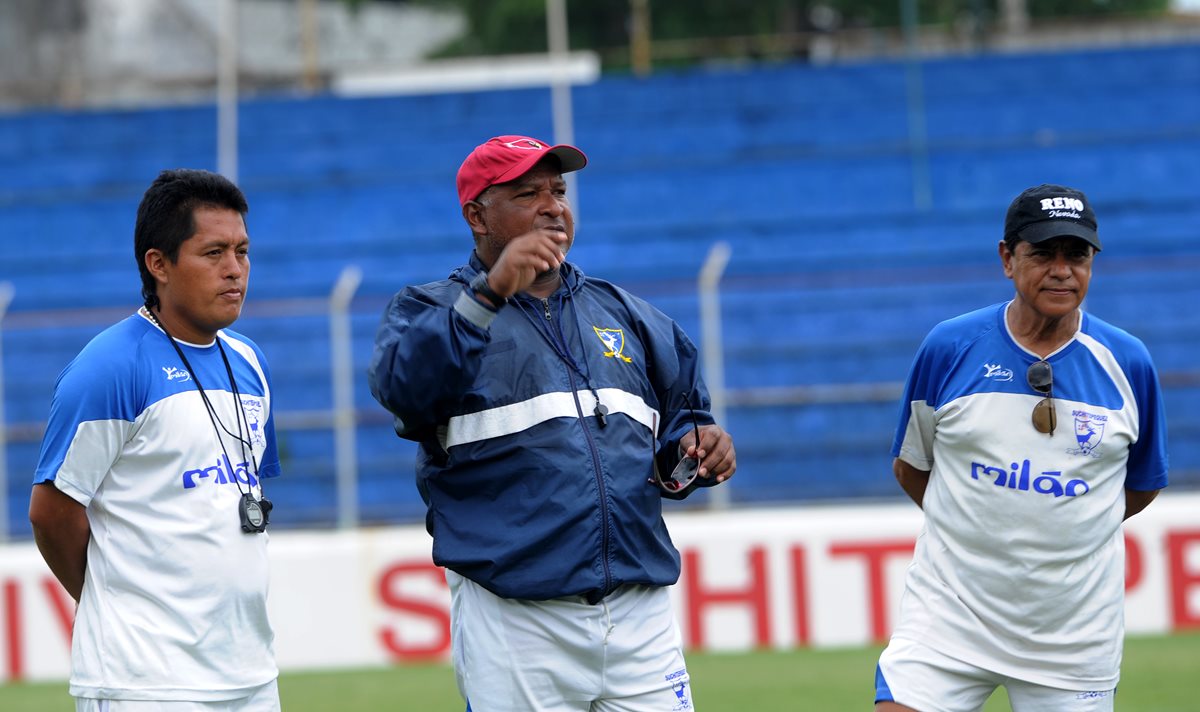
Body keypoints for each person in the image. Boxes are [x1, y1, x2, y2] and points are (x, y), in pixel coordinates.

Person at [368, 135, 737, 712]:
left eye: (558, 191)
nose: (552, 205)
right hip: (516, 619)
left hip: (639, 617)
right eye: (527, 193)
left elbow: (682, 425)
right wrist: (491, 293)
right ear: (477, 216)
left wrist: (697, 451)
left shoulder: (630, 315)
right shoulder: (429, 309)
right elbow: (405, 392)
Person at [874, 184, 1169, 712]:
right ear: (1007, 258)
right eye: (1042, 253)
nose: (1062, 270)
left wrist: (1062, 524)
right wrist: (983, 527)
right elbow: (912, 466)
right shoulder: (948, 347)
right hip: (949, 617)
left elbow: (1141, 485)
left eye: (1076, 255)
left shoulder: (1129, 363)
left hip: (1074, 637)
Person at [29, 169, 282, 711]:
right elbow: (51, 512)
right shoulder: (110, 367)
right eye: (213, 252)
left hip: (250, 676)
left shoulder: (250, 363)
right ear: (159, 264)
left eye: (242, 250)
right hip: (143, 683)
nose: (235, 269)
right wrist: (115, 603)